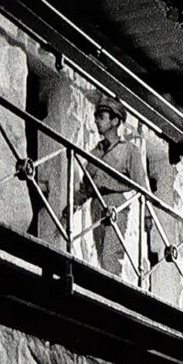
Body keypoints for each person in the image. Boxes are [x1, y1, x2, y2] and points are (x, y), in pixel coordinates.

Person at [64, 96, 150, 275]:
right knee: (101, 255)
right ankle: (106, 292)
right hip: (96, 204)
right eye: (96, 117)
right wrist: (72, 205)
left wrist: (148, 215)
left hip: (117, 203)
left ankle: (114, 296)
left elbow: (142, 185)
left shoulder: (129, 151)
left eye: (101, 117)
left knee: (111, 256)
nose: (96, 121)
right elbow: (86, 188)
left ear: (115, 120)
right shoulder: (95, 153)